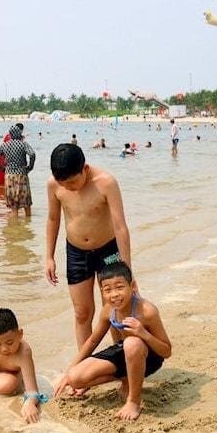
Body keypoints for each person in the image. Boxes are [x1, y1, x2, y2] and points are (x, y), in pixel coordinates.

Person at [53, 262, 171, 421]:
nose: (114, 294)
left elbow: (166, 351)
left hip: (149, 358)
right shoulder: (109, 310)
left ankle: (134, 400)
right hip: (126, 352)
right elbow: (93, 340)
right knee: (75, 378)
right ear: (102, 292)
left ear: (133, 286)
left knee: (132, 343)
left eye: (119, 287)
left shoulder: (147, 311)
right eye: (108, 290)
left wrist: (143, 333)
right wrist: (68, 373)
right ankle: (127, 377)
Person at [46, 144, 132, 348]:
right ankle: (86, 362)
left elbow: (120, 227)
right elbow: (52, 219)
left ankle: (120, 357)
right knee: (82, 312)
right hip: (76, 252)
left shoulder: (106, 182)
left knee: (113, 306)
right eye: (63, 183)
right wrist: (49, 256)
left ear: (85, 169)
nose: (69, 187)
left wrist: (127, 268)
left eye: (73, 182)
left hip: (108, 250)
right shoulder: (54, 185)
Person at [0, 123, 36, 217]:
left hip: (9, 176)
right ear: (19, 134)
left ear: (10, 134)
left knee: (14, 205)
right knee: (26, 203)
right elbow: (32, 154)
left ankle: (14, 228)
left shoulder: (5, 145)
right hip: (22, 174)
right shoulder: (23, 144)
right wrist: (29, 167)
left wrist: (2, 168)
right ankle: (28, 223)